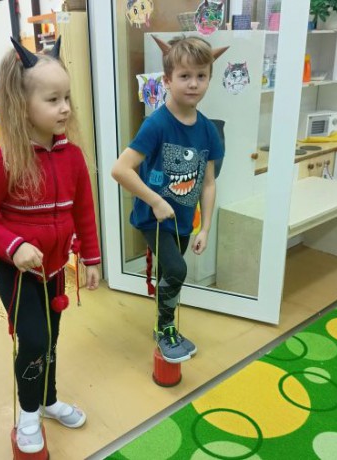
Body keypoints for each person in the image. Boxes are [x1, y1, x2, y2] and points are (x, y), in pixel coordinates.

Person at [0, 37, 100, 454]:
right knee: (35, 340)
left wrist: (91, 258)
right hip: (18, 271)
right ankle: (27, 414)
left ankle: (47, 400)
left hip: (55, 269)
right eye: (53, 99)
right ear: (22, 105)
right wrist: (14, 246)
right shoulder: (2, 161)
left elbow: (84, 211)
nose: (65, 108)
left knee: (51, 338)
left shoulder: (73, 157)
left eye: (67, 98)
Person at [111, 36, 228, 364]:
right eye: (184, 76)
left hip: (183, 220)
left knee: (169, 274)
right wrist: (155, 201)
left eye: (201, 76)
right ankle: (165, 330)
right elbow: (120, 170)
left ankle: (163, 326)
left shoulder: (208, 130)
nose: (193, 84)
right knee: (177, 270)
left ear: (209, 79)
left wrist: (206, 227)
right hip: (154, 218)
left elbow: (208, 183)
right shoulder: (156, 124)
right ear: (167, 80)